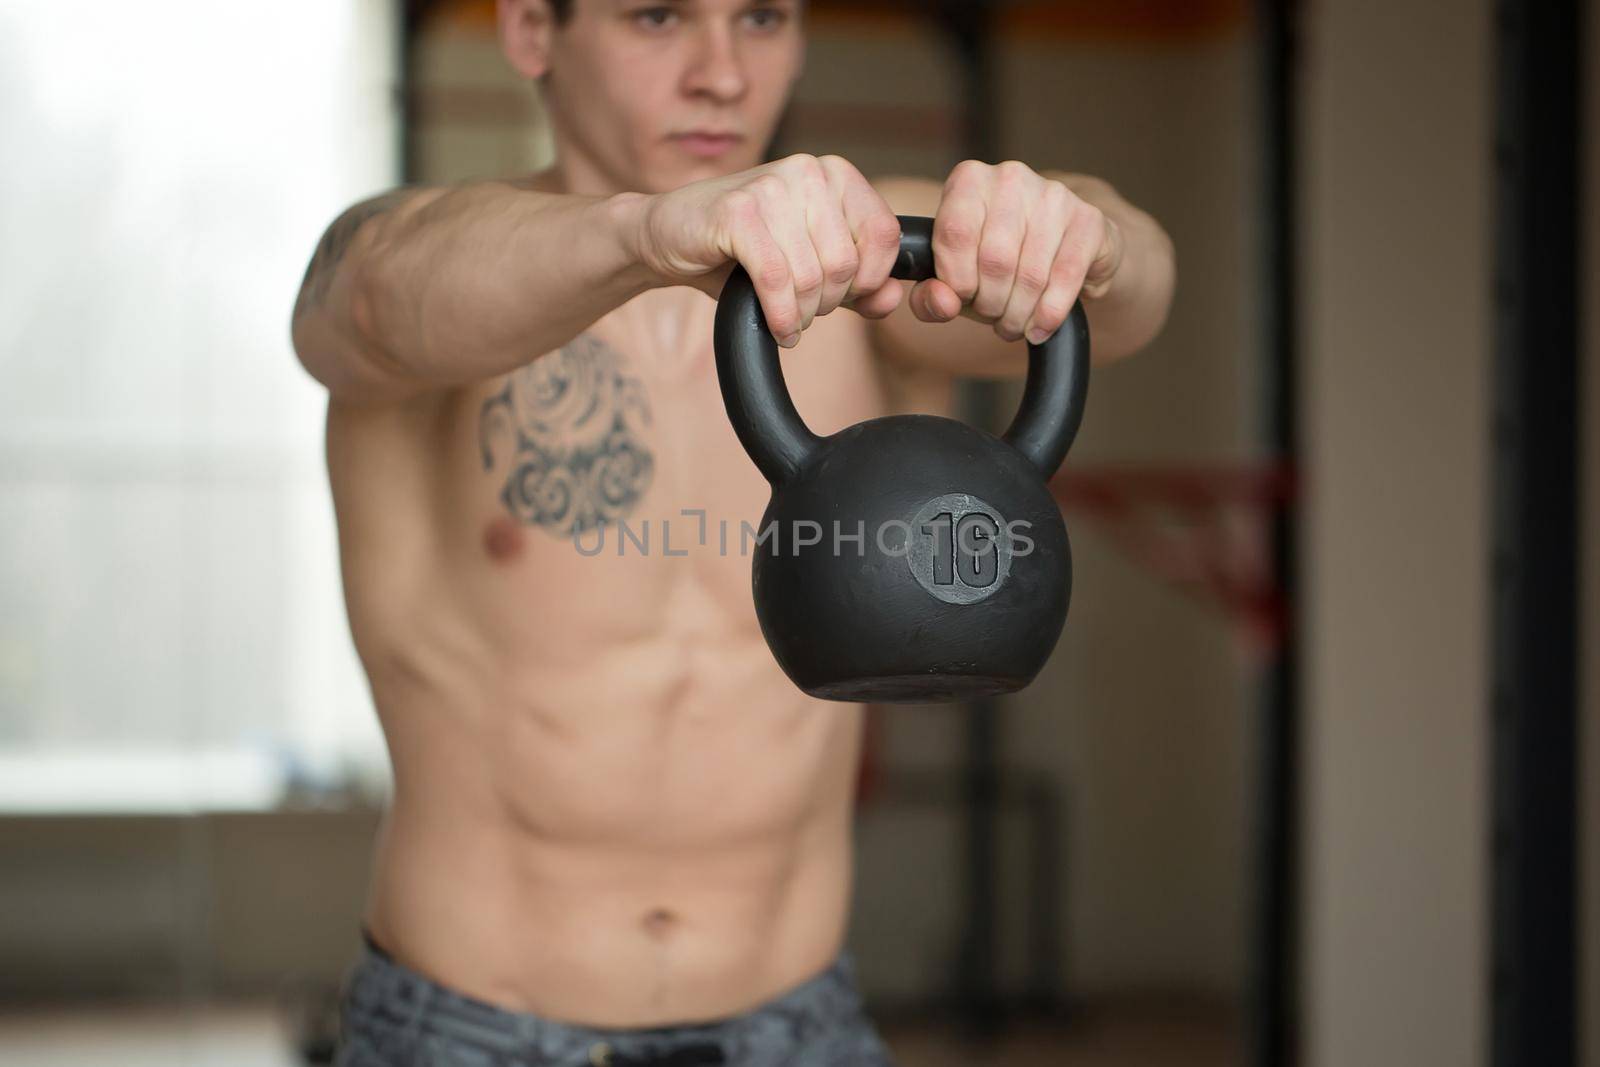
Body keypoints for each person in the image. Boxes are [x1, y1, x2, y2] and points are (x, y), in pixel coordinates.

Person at [291, 1, 1175, 1063]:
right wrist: (647, 232)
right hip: (469, 1028)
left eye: (761, 17)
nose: (722, 72)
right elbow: (364, 296)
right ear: (531, 31)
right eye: (657, 16)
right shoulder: (435, 263)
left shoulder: (876, 262)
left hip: (796, 1026)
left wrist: (1079, 235)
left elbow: (1138, 291)